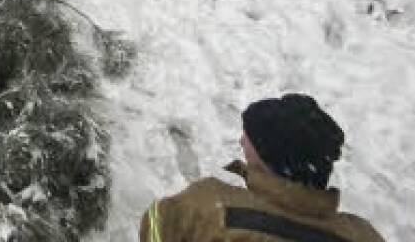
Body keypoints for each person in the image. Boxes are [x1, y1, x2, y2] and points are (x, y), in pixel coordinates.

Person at [140, 94, 385, 242]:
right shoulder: (362, 236)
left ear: (269, 158)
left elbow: (155, 223)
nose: (241, 142)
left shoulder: (208, 206)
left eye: (249, 140)